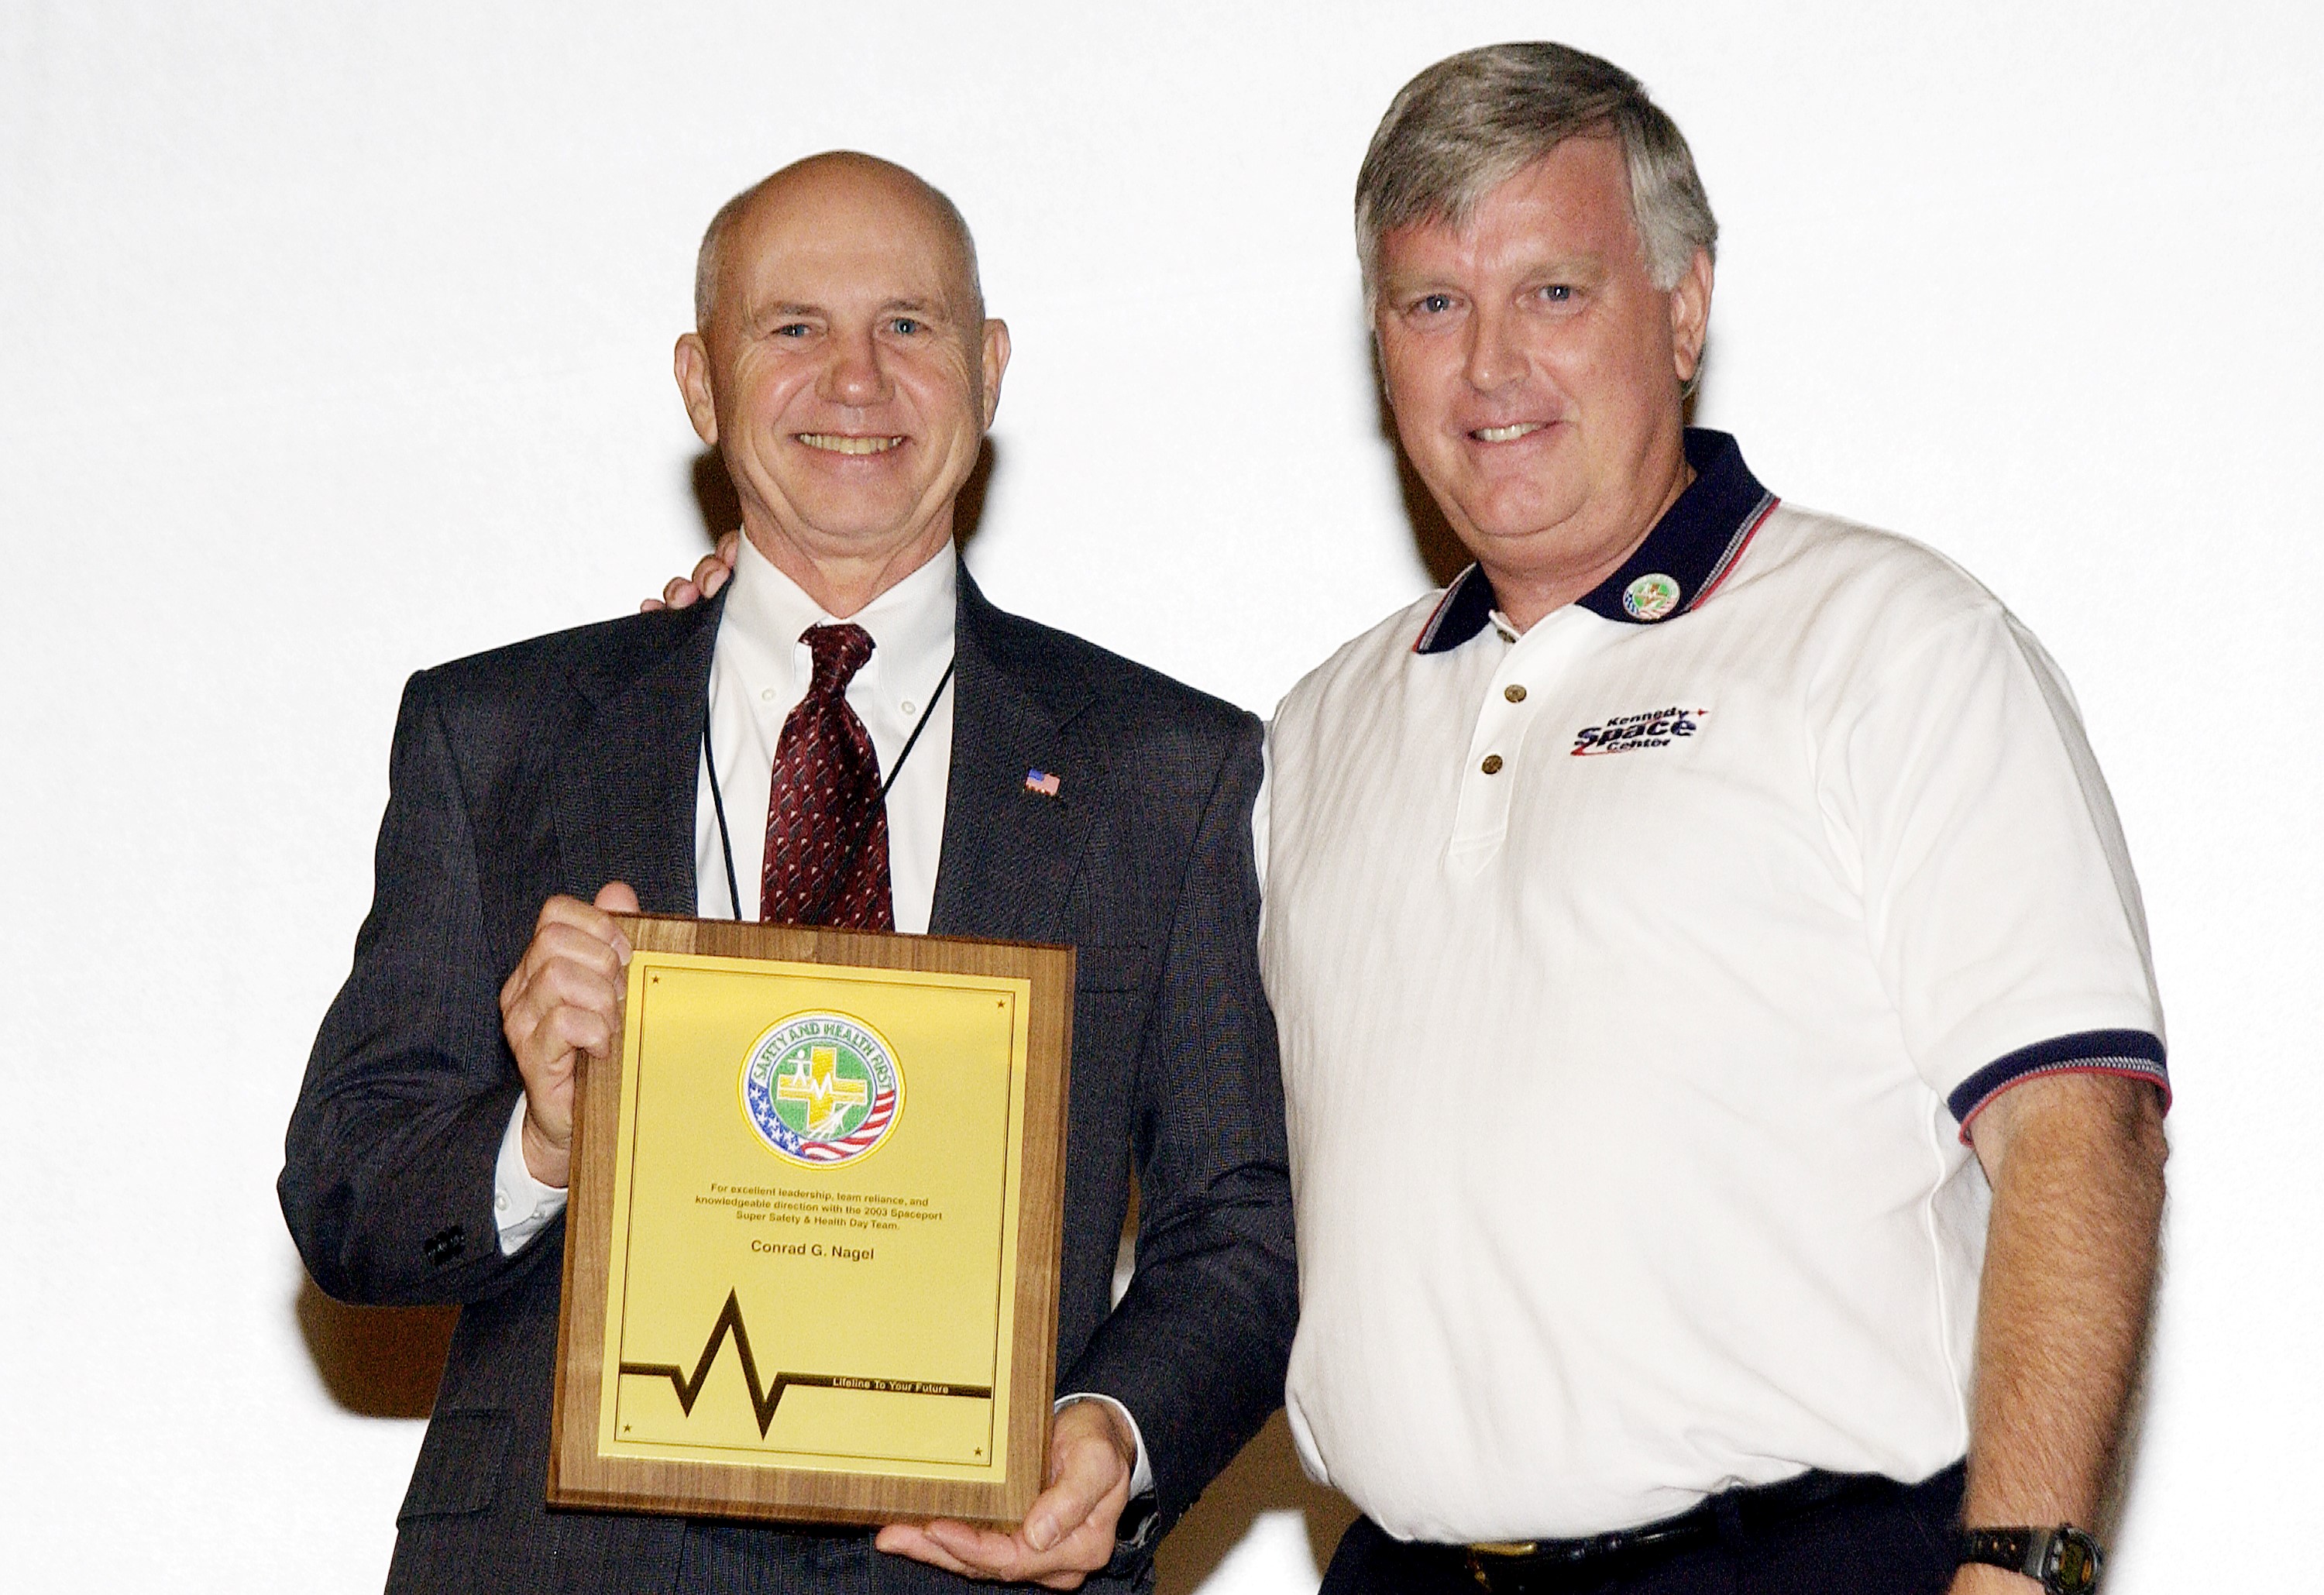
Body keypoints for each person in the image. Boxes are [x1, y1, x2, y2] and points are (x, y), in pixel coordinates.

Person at [280, 152, 1295, 1595]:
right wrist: (543, 1146)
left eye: (910, 325)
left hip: (972, 1567)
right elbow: (344, 1197)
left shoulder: (1170, 769)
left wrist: (1115, 1436)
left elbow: (1243, 1220)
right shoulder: (493, 738)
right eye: (792, 328)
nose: (856, 381)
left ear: (989, 370)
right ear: (701, 384)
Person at [1260, 43, 2168, 1595]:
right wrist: (742, 641)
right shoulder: (1319, 728)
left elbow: (2081, 1128)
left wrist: (2021, 1571)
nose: (1490, 367)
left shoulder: (1888, 642)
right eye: (1432, 304)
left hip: (1804, 1564)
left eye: (1554, 290)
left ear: (1683, 311)